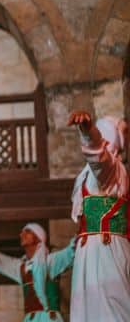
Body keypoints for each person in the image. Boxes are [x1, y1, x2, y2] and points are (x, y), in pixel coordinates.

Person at [67, 110, 130, 322]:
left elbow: (98, 157)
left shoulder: (110, 169)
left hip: (105, 253)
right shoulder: (93, 175)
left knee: (110, 310)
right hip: (93, 252)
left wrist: (87, 132)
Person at [0, 219, 74, 321]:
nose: (22, 234)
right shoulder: (20, 267)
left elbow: (72, 251)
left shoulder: (51, 262)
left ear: (38, 238)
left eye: (27, 231)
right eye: (22, 232)